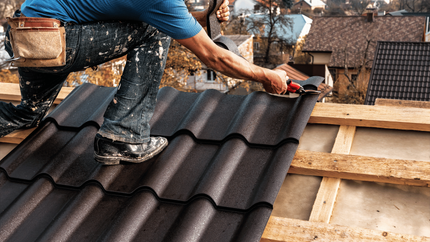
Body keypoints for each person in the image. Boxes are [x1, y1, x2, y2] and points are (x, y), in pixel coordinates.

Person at [1, 0, 291, 165]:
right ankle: (123, 136)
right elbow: (214, 57)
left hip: (25, 37)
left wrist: (204, 16)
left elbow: (140, 10)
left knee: (29, 115)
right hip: (54, 41)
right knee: (153, 31)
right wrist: (267, 75)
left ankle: (21, 113)